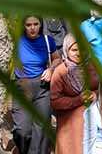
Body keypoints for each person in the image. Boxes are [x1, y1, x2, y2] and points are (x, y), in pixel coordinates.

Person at [13, 16, 62, 154]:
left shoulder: (48, 41)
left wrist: (51, 70)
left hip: (42, 86)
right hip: (22, 86)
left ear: (40, 25)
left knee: (40, 130)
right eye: (29, 24)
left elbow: (57, 59)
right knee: (22, 130)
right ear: (24, 26)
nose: (33, 27)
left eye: (36, 24)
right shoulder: (17, 40)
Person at [51, 34, 97, 154]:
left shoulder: (93, 67)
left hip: (92, 122)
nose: (78, 53)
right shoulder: (60, 71)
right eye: (74, 50)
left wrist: (95, 94)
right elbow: (55, 101)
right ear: (66, 50)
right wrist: (78, 99)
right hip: (69, 125)